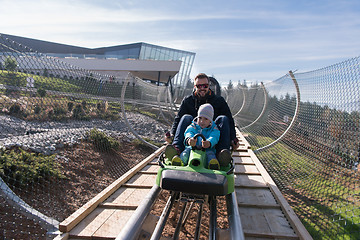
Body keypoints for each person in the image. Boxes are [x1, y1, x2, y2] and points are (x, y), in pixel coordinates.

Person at [165, 73, 239, 167]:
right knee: (185, 117)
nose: (202, 88)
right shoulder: (188, 101)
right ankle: (177, 149)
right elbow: (178, 119)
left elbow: (229, 120)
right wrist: (172, 134)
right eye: (199, 86)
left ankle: (221, 154)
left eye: (205, 85)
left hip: (211, 134)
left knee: (223, 118)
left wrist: (233, 138)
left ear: (209, 86)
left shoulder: (218, 101)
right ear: (195, 86)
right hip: (193, 136)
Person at [166, 104, 221, 169]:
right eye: (200, 118)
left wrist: (209, 142)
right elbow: (189, 132)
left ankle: (212, 165)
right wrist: (189, 139)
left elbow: (214, 136)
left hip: (206, 149)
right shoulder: (193, 126)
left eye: (206, 119)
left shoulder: (213, 128)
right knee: (186, 153)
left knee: (210, 155)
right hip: (192, 148)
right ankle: (180, 162)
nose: (201, 121)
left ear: (210, 121)